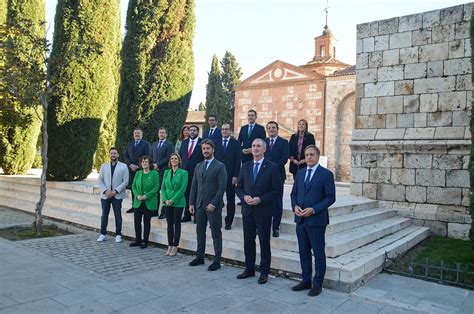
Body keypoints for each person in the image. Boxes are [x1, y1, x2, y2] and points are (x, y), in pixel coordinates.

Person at [290, 145, 335, 297]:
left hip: (316, 220)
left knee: (318, 253)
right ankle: (306, 280)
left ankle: (317, 284)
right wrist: (295, 206)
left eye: (312, 155)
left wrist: (314, 209)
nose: (309, 157)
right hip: (301, 220)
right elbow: (294, 193)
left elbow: (330, 197)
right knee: (303, 251)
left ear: (318, 156)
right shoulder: (300, 173)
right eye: (307, 155)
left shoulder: (326, 174)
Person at [235, 138, 280, 284]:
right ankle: (249, 269)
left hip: (263, 211)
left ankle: (264, 272)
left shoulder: (272, 167)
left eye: (258, 146)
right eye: (253, 146)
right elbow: (239, 187)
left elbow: (276, 191)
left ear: (264, 149)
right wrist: (244, 196)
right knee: (248, 241)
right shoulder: (246, 166)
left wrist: (261, 199)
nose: (255, 148)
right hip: (247, 210)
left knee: (264, 242)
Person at [188, 139, 227, 271]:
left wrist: (214, 203)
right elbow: (194, 186)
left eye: (208, 149)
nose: (205, 151)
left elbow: (222, 188)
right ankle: (200, 257)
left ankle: (217, 260)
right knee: (200, 232)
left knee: (216, 233)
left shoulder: (220, 166)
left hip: (213, 206)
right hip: (199, 205)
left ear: (213, 150)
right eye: (204, 149)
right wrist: (191, 203)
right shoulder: (198, 166)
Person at [97, 147, 129, 243]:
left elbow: (126, 181)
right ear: (109, 155)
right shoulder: (104, 166)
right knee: (104, 215)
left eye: (115, 153)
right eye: (112, 153)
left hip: (117, 195)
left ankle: (118, 234)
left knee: (118, 215)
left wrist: (115, 191)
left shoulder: (123, 166)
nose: (113, 155)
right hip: (105, 195)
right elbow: (100, 180)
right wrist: (106, 191)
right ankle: (102, 234)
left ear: (118, 155)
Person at [264, 121, 289, 238]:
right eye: (269, 128)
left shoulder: (284, 142)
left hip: (278, 175)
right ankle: (264, 226)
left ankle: (275, 227)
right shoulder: (263, 142)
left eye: (273, 128)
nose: (271, 130)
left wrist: (272, 169)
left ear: (277, 129)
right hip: (263, 176)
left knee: (277, 202)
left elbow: (284, 158)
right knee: (265, 202)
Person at [129, 155, 160, 249]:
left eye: (146, 162)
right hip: (138, 201)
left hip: (148, 201)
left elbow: (156, 187)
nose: (144, 163)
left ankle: (145, 241)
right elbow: (133, 186)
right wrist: (137, 195)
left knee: (147, 222)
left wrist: (146, 196)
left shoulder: (155, 174)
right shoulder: (138, 173)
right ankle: (138, 240)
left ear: (149, 163)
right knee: (137, 222)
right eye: (142, 162)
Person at [215, 123, 241, 230]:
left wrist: (236, 176)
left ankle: (228, 222)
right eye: (223, 129)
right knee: (217, 199)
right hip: (218, 176)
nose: (225, 131)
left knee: (230, 200)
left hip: (230, 176)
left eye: (227, 129)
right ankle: (216, 221)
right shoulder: (216, 143)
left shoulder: (235, 143)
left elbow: (238, 160)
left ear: (230, 131)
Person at [161, 153, 188, 257]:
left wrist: (173, 200)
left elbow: (183, 188)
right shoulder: (166, 172)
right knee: (169, 224)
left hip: (178, 202)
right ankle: (170, 245)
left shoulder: (183, 173)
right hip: (167, 202)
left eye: (175, 158)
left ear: (179, 160)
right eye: (172, 158)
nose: (173, 160)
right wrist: (165, 199)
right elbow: (163, 188)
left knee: (177, 224)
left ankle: (175, 246)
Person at [179, 125, 204, 223]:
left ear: (198, 132)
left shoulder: (202, 142)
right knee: (186, 194)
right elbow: (181, 156)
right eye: (191, 130)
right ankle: (187, 215)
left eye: (194, 130)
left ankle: (197, 216)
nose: (192, 132)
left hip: (197, 172)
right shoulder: (184, 143)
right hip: (185, 172)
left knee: (197, 194)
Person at [124, 128, 151, 213]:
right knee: (133, 188)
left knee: (142, 188)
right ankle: (134, 205)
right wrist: (130, 165)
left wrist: (138, 166)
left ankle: (143, 207)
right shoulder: (130, 144)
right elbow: (126, 155)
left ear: (141, 135)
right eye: (135, 133)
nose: (136, 134)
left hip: (141, 170)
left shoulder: (146, 144)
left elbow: (147, 156)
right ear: (133, 134)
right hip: (131, 170)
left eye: (138, 133)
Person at [151, 127, 175, 219]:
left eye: (163, 133)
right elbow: (151, 156)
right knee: (155, 192)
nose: (161, 134)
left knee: (164, 192)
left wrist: (158, 165)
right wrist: (152, 165)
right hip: (154, 171)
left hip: (164, 171)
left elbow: (169, 157)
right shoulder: (154, 144)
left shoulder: (169, 144)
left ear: (166, 134)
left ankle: (164, 212)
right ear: (158, 134)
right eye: (160, 132)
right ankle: (154, 211)